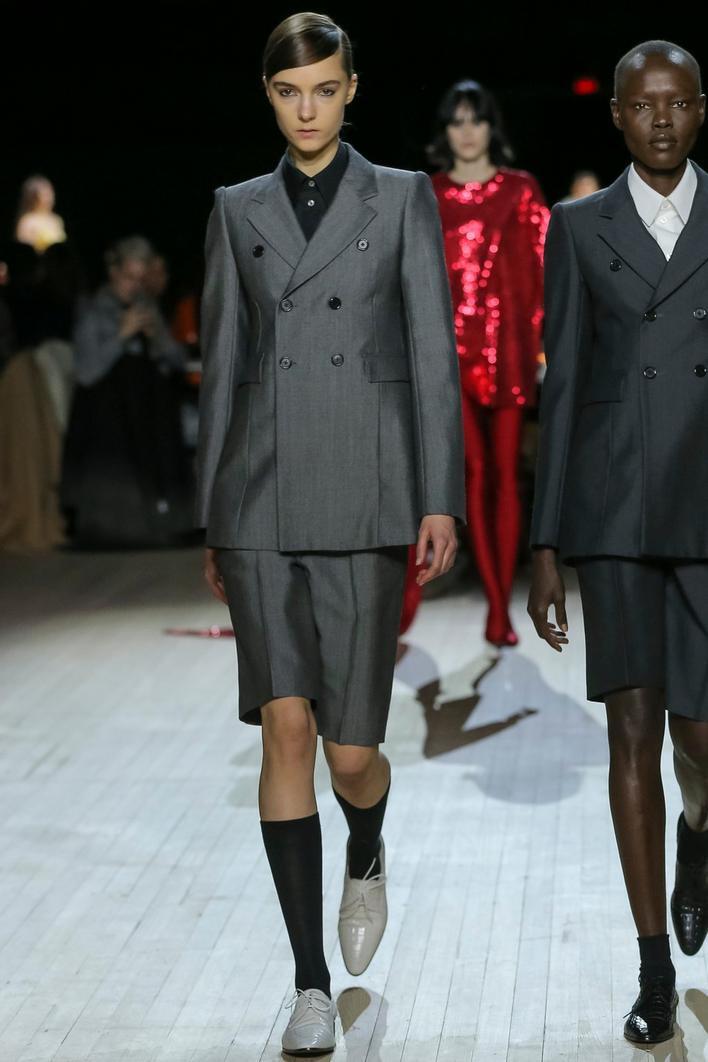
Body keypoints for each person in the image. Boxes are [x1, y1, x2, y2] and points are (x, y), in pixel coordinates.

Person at [197, 12, 465, 1055]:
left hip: (366, 491)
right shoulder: (237, 208)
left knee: (353, 753)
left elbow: (432, 353)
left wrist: (438, 495)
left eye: (323, 88)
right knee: (287, 730)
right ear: (269, 97)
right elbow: (224, 364)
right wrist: (214, 515)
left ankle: (367, 844)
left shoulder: (400, 196)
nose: (306, 109)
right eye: (287, 91)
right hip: (260, 496)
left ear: (352, 88)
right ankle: (310, 982)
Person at [527, 39, 708, 1045]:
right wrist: (546, 543)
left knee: (702, 738)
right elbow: (563, 384)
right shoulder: (579, 226)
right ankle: (652, 972)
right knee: (632, 733)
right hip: (617, 510)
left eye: (677, 103)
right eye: (643, 105)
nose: (661, 120)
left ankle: (698, 828)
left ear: (700, 109)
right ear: (619, 117)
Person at [424, 79, 549, 647]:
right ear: (445, 131)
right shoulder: (429, 194)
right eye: (457, 121)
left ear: (491, 126)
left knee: (507, 476)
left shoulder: (521, 190)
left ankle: (502, 606)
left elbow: (545, 269)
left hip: (508, 353)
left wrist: (548, 345)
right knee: (474, 474)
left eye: (476, 119)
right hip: (449, 358)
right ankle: (496, 606)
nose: (467, 131)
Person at [62, 236, 192, 546]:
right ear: (114, 271)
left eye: (141, 279)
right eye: (129, 277)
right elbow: (87, 371)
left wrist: (157, 337)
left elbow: (178, 361)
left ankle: (167, 519)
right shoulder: (93, 309)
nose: (135, 286)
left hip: (146, 410)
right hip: (107, 414)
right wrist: (121, 336)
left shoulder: (146, 306)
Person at [14, 175, 67, 255]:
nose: (50, 198)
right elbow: (24, 251)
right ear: (34, 197)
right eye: (45, 195)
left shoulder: (57, 220)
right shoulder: (27, 221)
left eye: (50, 193)